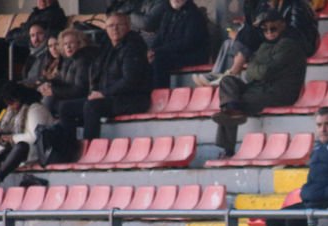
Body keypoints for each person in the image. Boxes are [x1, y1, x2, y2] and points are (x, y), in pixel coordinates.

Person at [210, 10, 308, 157]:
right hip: (260, 88)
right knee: (228, 82)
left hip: (279, 93)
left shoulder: (289, 45)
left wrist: (254, 68)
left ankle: (228, 147)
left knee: (233, 103)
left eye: (273, 28)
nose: (269, 32)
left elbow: (264, 72)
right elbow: (250, 75)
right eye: (265, 29)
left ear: (282, 26)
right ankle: (233, 111)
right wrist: (255, 69)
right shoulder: (264, 46)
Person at [55, 13, 152, 141]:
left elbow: (130, 81)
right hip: (112, 97)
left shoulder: (133, 46)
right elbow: (97, 74)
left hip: (132, 99)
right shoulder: (108, 47)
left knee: (92, 106)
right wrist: (95, 92)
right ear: (106, 29)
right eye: (111, 26)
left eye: (119, 25)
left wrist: (103, 94)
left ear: (128, 27)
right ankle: (69, 149)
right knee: (65, 108)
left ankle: (90, 147)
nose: (115, 29)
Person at [0, 83, 55, 189]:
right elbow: (4, 130)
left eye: (12, 102)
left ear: (20, 99)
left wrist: (12, 138)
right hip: (24, 150)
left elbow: (34, 137)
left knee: (21, 146)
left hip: (40, 150)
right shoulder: (13, 112)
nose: (10, 106)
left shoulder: (36, 109)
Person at [148, 0, 211, 88]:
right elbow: (160, 37)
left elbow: (187, 43)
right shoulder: (168, 14)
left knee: (159, 61)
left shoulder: (194, 15)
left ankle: (160, 95)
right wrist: (151, 51)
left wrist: (157, 51)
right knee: (146, 59)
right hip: (172, 54)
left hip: (191, 56)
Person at [38, 28, 95, 116]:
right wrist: (48, 83)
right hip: (68, 96)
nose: (68, 47)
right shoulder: (68, 60)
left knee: (50, 98)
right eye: (65, 44)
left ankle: (44, 125)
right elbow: (60, 79)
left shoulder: (83, 60)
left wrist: (53, 91)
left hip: (81, 99)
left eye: (71, 43)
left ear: (80, 44)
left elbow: (80, 90)